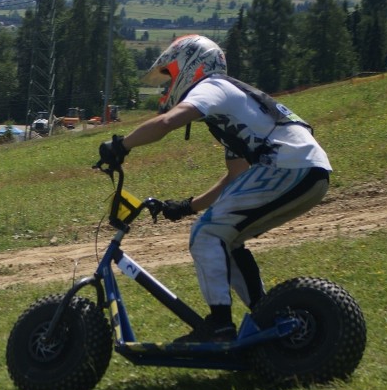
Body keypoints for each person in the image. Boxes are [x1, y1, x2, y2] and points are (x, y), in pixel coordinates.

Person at [99, 35, 332, 343]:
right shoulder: (234, 109)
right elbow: (235, 177)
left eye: (169, 74)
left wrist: (121, 145)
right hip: (306, 168)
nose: (168, 84)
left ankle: (219, 326)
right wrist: (186, 206)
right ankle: (267, 321)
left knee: (207, 234)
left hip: (286, 165)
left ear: (191, 64)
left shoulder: (213, 87)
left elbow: (167, 122)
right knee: (226, 239)